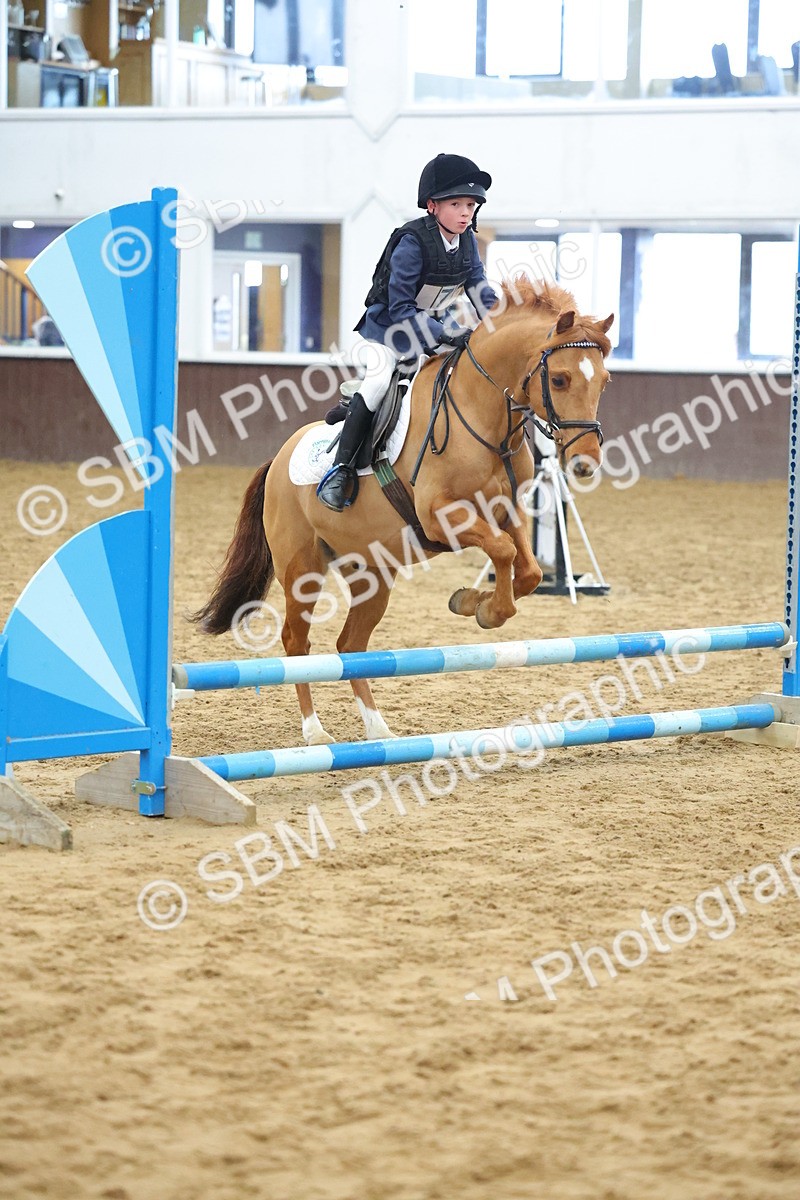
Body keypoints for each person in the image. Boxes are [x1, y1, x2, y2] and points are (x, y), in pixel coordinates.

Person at [317, 152, 498, 512]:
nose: (467, 212)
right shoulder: (411, 243)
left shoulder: (467, 243)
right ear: (432, 206)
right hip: (387, 330)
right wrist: (445, 333)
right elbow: (401, 308)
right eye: (457, 204)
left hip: (433, 329)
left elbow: (480, 291)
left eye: (471, 205)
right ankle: (342, 468)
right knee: (380, 380)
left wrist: (501, 324)